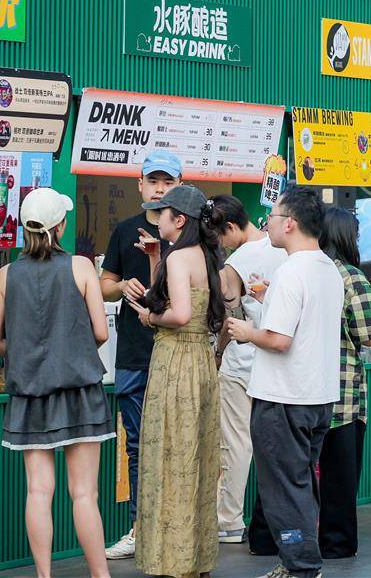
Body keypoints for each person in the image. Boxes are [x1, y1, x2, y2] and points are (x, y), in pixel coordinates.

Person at [0, 188, 113, 578]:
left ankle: (44, 575)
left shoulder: (6, 275)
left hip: (30, 393)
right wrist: (69, 346)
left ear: (25, 228)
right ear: (61, 226)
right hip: (80, 392)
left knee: (38, 491)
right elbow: (101, 332)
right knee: (84, 494)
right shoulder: (81, 267)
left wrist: (26, 351)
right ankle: (100, 576)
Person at [226, 187, 343, 578]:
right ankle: (298, 561)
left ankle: (301, 567)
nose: (267, 225)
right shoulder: (328, 269)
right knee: (301, 483)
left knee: (282, 489)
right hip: (317, 396)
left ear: (289, 223)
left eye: (271, 218)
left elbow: (278, 339)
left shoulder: (291, 271)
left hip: (283, 397)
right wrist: (269, 300)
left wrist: (246, 331)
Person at [132, 185, 226, 578]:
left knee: (168, 457)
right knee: (196, 459)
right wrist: (156, 258)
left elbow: (180, 313)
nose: (157, 219)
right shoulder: (205, 255)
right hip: (201, 362)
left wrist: (150, 317)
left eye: (163, 213)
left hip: (175, 362)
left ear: (180, 220)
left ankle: (172, 561)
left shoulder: (178, 257)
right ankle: (196, 559)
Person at [99, 149, 181, 560]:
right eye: (153, 181)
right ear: (140, 185)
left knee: (177, 444)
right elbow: (104, 286)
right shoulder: (125, 230)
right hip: (133, 354)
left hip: (178, 354)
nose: (160, 189)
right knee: (136, 445)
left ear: (180, 186)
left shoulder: (188, 235)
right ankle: (139, 528)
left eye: (168, 182)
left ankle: (175, 529)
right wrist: (121, 286)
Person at [208, 195, 288, 546]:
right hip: (275, 363)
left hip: (241, 364)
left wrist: (218, 352)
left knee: (236, 443)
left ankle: (228, 519)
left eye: (219, 237)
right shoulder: (283, 248)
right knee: (273, 445)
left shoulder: (237, 261)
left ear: (229, 227)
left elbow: (228, 319)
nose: (220, 245)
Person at [317, 206, 371, 558]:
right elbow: (366, 333)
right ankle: (337, 543)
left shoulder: (307, 271)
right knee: (341, 476)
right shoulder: (352, 277)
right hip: (343, 393)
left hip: (306, 390)